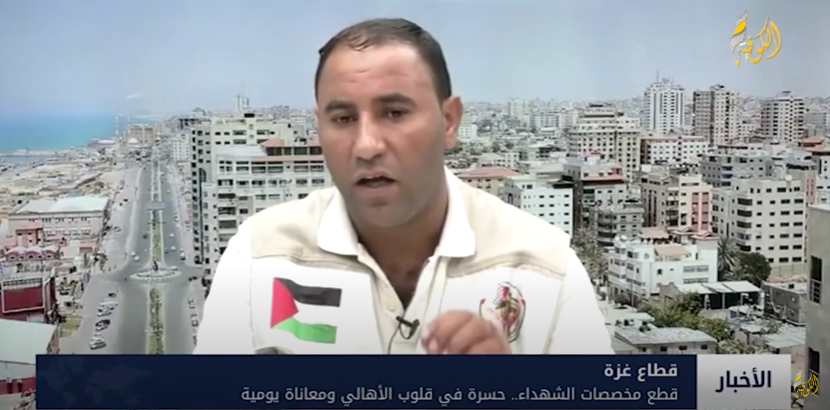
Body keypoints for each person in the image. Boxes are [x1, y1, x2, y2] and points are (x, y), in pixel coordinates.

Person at [194, 18, 611, 355]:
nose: (366, 145)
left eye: (394, 113)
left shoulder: (543, 267)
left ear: (449, 121)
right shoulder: (261, 255)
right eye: (342, 119)